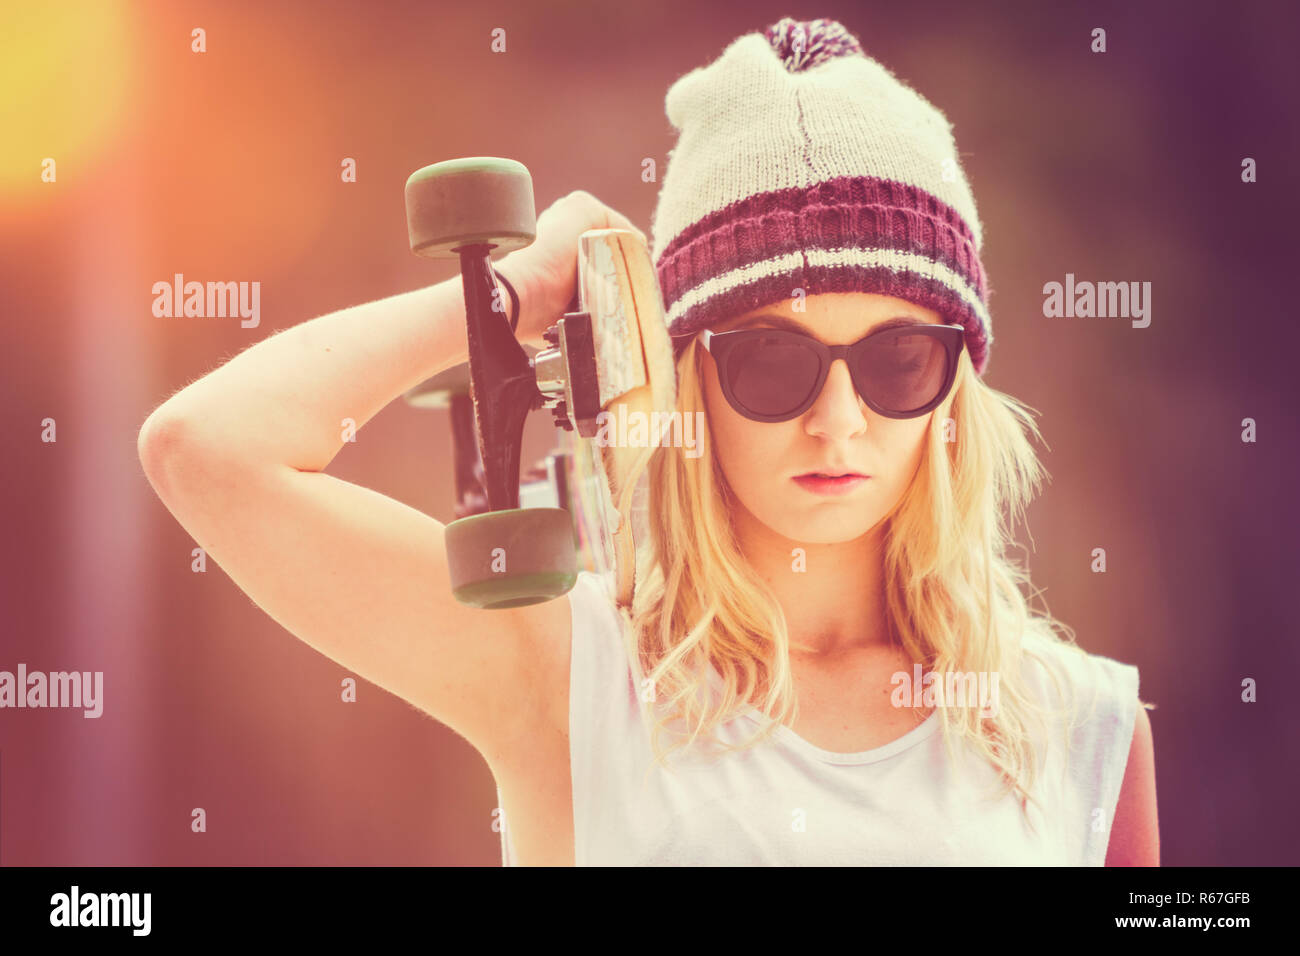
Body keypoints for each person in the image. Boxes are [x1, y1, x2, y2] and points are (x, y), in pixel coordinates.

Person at [138, 17, 1158, 867]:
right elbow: (204, 447)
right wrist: (508, 295)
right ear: (690, 378)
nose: (838, 421)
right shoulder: (569, 675)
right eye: (770, 359)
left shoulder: (1082, 728)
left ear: (953, 385)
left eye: (897, 360)